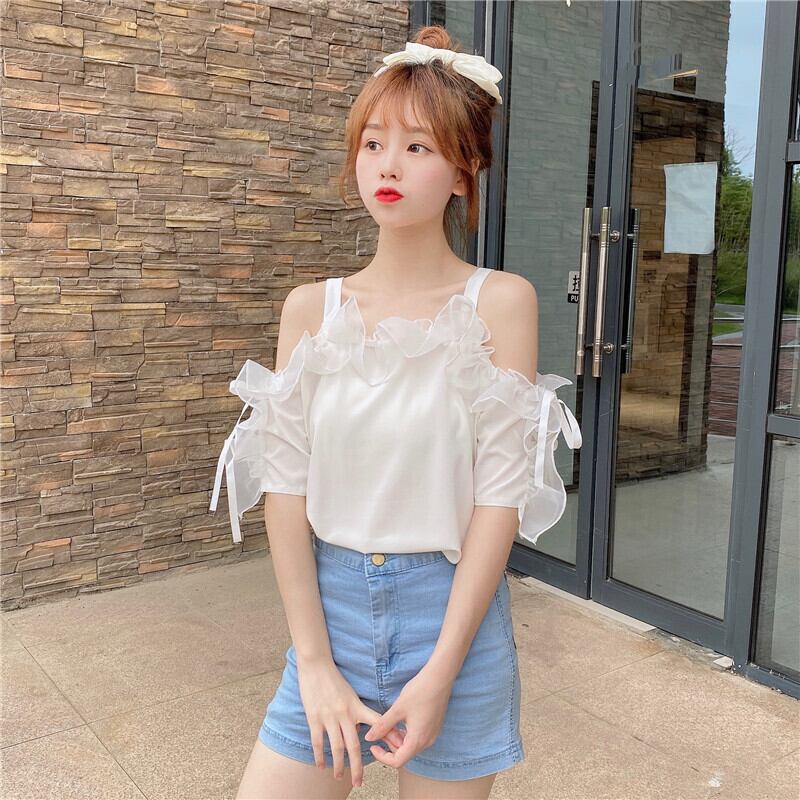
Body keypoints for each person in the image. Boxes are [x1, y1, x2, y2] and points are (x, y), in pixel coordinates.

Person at [210, 24, 582, 800]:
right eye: (374, 143)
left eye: (417, 147)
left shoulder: (500, 303)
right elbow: (285, 489)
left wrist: (442, 670)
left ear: (463, 171)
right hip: (331, 617)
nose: (387, 164)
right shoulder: (311, 309)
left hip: (454, 628)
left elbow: (499, 497)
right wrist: (315, 662)